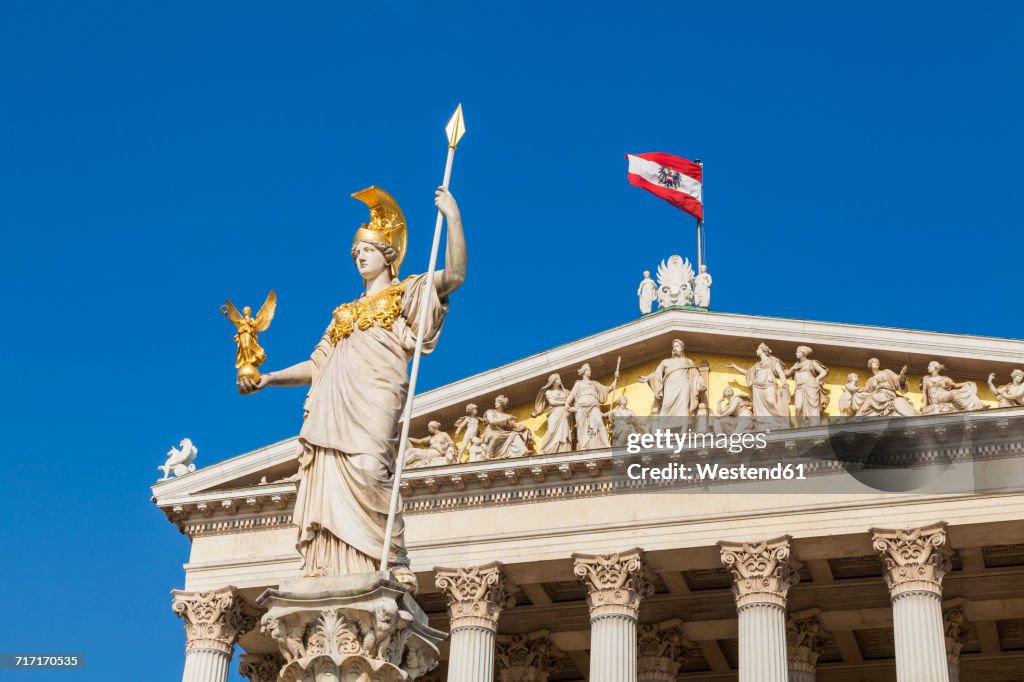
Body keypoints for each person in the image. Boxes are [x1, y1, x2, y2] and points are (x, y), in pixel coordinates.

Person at [236, 185, 466, 582]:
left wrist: (453, 218)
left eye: (368, 250)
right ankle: (332, 570)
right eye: (356, 252)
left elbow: (456, 275)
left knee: (370, 470)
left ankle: (389, 561)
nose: (359, 256)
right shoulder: (343, 314)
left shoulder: (406, 293)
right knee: (329, 480)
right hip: (332, 408)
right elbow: (317, 364)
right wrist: (270, 378)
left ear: (388, 256)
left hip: (375, 398)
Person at [639, 339, 705, 418]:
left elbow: (695, 373)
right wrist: (648, 378)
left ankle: (683, 429)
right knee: (666, 406)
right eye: (673, 346)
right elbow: (657, 374)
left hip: (683, 386)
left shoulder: (688, 361)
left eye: (677, 346)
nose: (674, 348)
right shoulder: (665, 362)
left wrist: (700, 381)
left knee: (683, 407)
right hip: (670, 388)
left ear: (682, 348)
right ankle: (663, 428)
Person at [566, 362, 618, 450]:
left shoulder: (594, 384)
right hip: (580, 408)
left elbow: (609, 389)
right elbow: (571, 395)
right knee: (581, 427)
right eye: (588, 370)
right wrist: (567, 403)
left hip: (593, 405)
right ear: (584, 372)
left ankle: (606, 444)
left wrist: (616, 379)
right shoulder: (578, 384)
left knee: (599, 423)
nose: (590, 371)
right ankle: (583, 447)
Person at [852, 358, 918, 417]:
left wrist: (901, 376)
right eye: (874, 362)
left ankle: (859, 415)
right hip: (878, 395)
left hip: (887, 394)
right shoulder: (870, 380)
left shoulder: (886, 372)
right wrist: (857, 389)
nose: (877, 363)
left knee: (870, 398)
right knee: (858, 395)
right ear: (870, 365)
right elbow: (866, 389)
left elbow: (896, 379)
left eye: (878, 362)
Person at [920, 361, 987, 414]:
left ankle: (975, 405)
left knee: (959, 391)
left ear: (935, 368)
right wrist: (924, 406)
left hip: (943, 395)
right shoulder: (926, 378)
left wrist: (966, 383)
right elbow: (924, 393)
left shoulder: (945, 378)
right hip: (936, 398)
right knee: (953, 393)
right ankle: (967, 407)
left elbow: (955, 385)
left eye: (930, 366)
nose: (928, 367)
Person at [531, 374, 574, 454]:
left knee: (564, 433)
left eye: (559, 379)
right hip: (555, 412)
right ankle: (546, 449)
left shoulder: (566, 392)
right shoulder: (549, 392)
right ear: (553, 382)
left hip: (565, 414)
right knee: (551, 431)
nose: (560, 380)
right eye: (557, 379)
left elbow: (574, 398)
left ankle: (563, 449)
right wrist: (565, 402)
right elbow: (552, 402)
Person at [786, 345, 829, 422]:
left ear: (803, 353)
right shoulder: (796, 365)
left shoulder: (811, 363)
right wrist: (791, 368)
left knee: (813, 408)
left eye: (798, 352)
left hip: (811, 387)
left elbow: (823, 372)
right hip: (799, 388)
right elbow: (787, 374)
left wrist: (817, 378)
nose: (796, 353)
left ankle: (813, 426)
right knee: (798, 407)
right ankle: (801, 427)